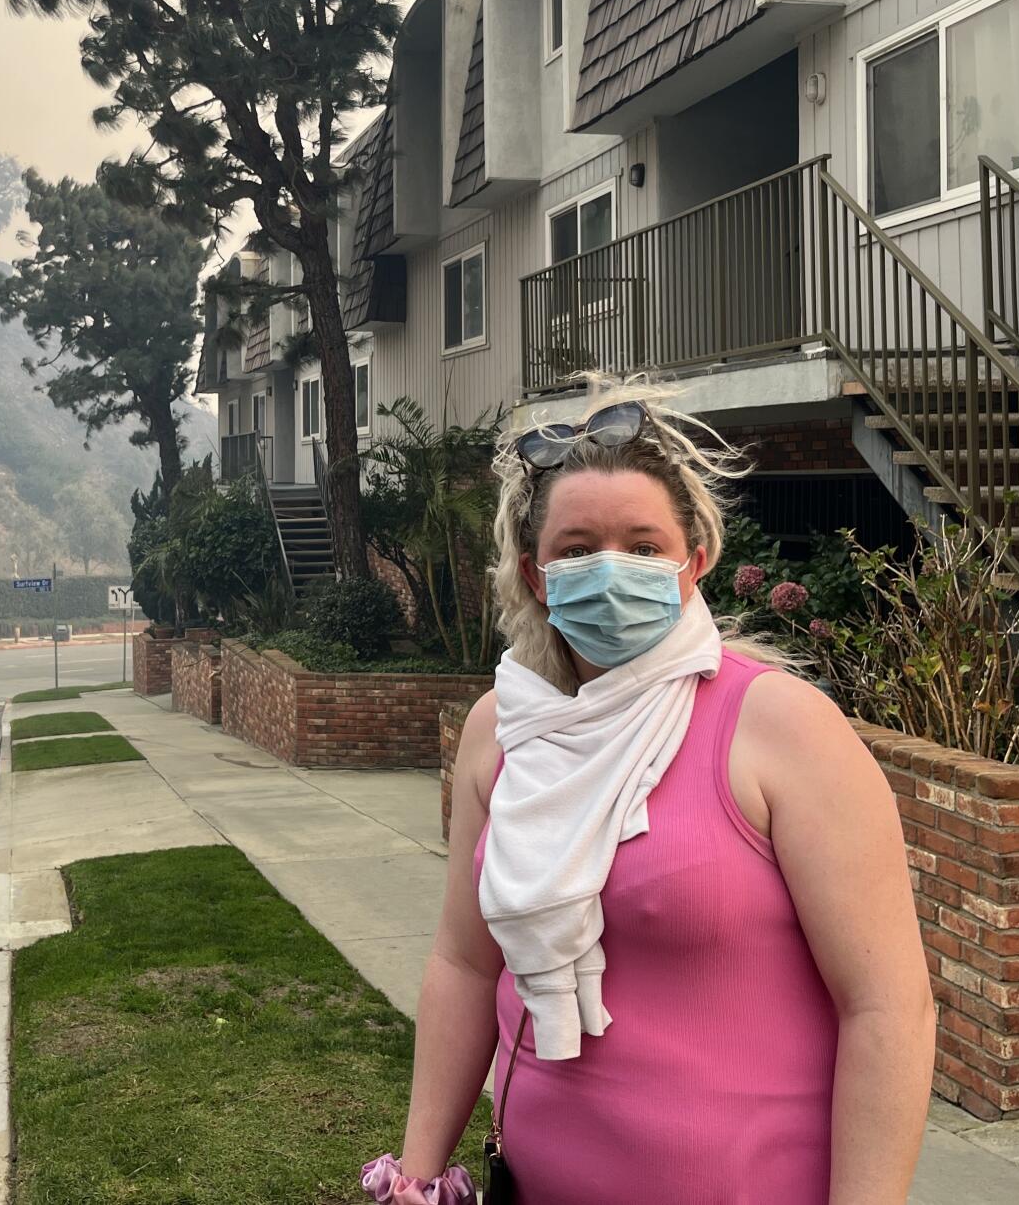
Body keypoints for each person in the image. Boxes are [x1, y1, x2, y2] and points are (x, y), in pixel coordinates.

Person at [368, 382, 935, 1205]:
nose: (612, 571)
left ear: (692, 561)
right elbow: (463, 962)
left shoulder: (782, 729)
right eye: (577, 548)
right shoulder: (507, 730)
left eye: (642, 546)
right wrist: (413, 1180)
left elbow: (888, 1010)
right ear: (534, 574)